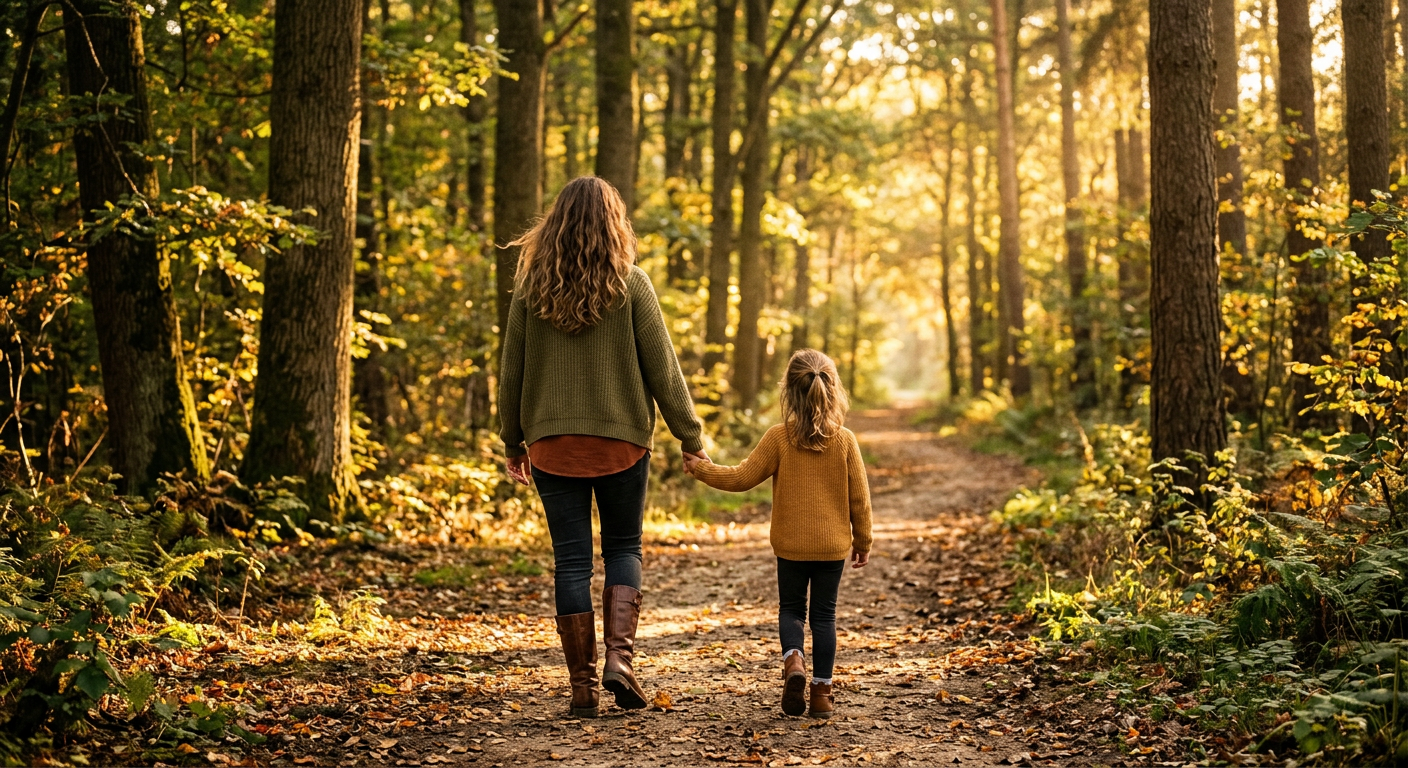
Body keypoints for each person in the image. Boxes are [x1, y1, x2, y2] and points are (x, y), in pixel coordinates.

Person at [498, 176, 708, 718]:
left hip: (551, 445)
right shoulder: (632, 284)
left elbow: (511, 372)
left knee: (570, 562)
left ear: (555, 225)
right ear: (615, 225)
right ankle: (620, 661)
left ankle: (583, 688)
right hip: (621, 444)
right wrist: (692, 437)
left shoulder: (530, 290)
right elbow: (664, 371)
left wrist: (512, 439)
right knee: (622, 549)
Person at [683, 349, 872, 719]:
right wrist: (863, 541)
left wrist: (702, 469)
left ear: (788, 390)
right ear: (833, 390)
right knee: (824, 617)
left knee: (791, 609)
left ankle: (794, 661)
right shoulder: (846, 441)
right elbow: (860, 500)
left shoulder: (779, 438)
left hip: (790, 544)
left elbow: (740, 477)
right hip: (832, 546)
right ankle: (821, 694)